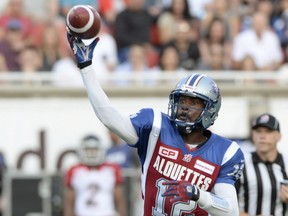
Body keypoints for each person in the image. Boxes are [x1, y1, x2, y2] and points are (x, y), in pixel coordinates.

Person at [66, 32, 245, 215]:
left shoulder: (226, 152)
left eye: (193, 103)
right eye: (182, 101)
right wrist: (86, 67)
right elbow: (108, 117)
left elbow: (230, 211)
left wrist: (199, 195)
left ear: (210, 110)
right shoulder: (155, 126)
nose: (184, 107)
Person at [236, 113, 288, 216]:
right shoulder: (240, 163)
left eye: (268, 131)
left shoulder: (286, 163)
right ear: (252, 135)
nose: (262, 136)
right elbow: (225, 204)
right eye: (258, 131)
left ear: (279, 136)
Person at [63, 135, 127, 216]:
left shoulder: (112, 169)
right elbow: (69, 202)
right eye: (88, 149)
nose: (91, 153)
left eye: (94, 149)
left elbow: (119, 200)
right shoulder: (74, 170)